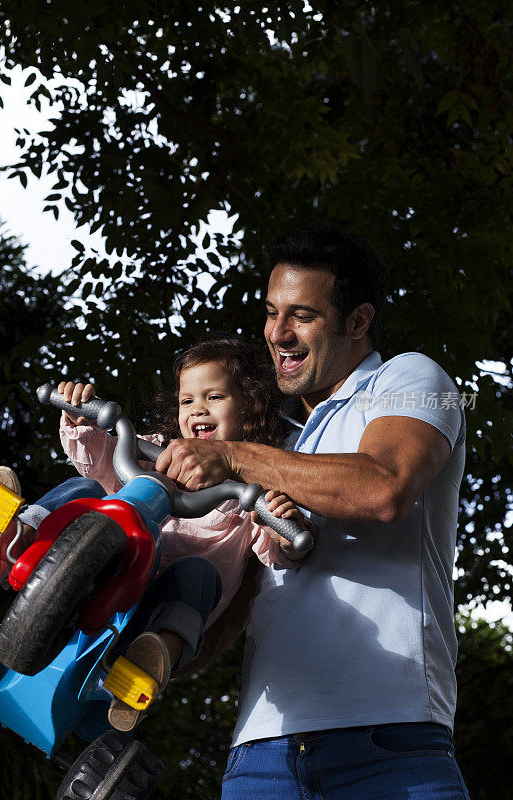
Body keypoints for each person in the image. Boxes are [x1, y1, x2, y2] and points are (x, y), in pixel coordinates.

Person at [154, 225, 471, 799]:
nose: (278, 333)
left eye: (302, 315)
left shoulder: (412, 379)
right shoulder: (279, 445)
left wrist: (231, 455)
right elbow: (242, 596)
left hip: (389, 739)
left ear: (357, 321)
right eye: (272, 312)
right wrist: (160, 641)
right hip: (261, 752)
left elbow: (385, 486)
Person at [0, 336, 314, 732]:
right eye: (187, 400)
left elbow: (276, 552)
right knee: (88, 491)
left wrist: (281, 525)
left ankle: (151, 661)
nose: (198, 409)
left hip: (158, 601)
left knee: (199, 576)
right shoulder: (155, 449)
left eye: (215, 397)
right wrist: (81, 421)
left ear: (249, 408)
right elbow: (100, 458)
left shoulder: (247, 488)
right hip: (112, 559)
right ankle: (12, 542)